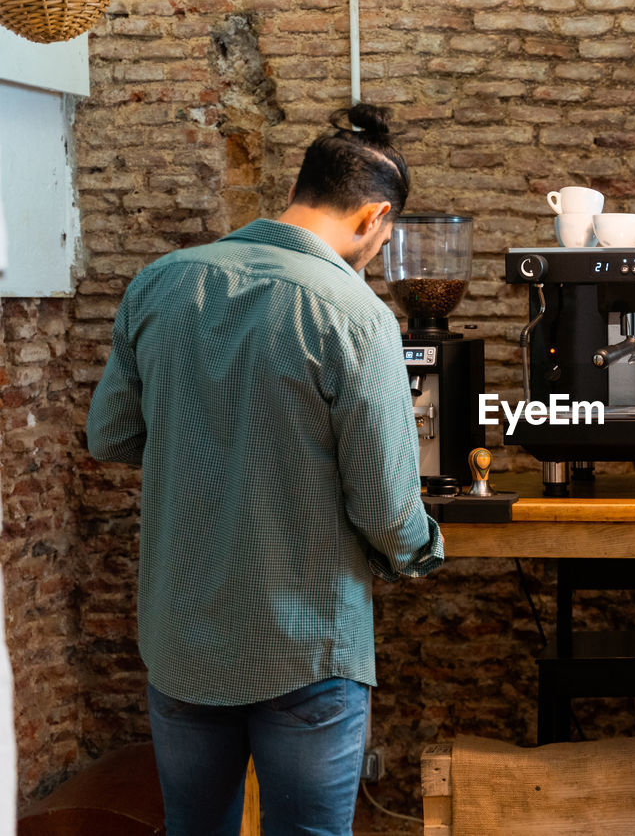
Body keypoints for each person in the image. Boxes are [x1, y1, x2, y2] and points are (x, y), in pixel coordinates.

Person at [86, 104, 442, 836]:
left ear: (300, 188)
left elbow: (111, 434)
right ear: (375, 217)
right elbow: (385, 506)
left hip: (182, 637)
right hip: (306, 643)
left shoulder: (160, 283)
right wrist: (421, 551)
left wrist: (205, 439)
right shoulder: (354, 311)